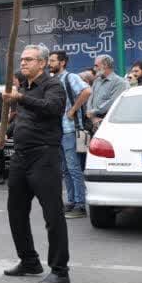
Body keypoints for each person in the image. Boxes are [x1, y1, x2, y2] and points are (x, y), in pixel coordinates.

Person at [0, 45, 70, 283]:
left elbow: (52, 108)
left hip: (44, 156)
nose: (23, 63)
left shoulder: (53, 85)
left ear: (42, 63)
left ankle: (60, 271)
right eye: (22, 59)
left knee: (53, 214)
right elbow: (24, 120)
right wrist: (4, 135)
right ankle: (29, 261)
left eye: (29, 59)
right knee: (15, 211)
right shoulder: (24, 88)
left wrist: (20, 98)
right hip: (20, 157)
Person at [48, 50, 92, 219]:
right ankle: (72, 201)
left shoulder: (70, 77)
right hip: (58, 131)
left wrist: (73, 110)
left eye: (53, 61)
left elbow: (86, 91)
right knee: (65, 169)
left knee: (74, 168)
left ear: (62, 62)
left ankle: (80, 205)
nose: (49, 64)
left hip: (70, 130)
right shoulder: (53, 80)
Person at [86, 54, 127, 130]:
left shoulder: (119, 82)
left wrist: (93, 112)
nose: (94, 69)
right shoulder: (97, 81)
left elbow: (112, 102)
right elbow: (90, 98)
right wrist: (91, 116)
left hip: (109, 123)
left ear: (105, 65)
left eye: (96, 66)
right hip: (94, 122)